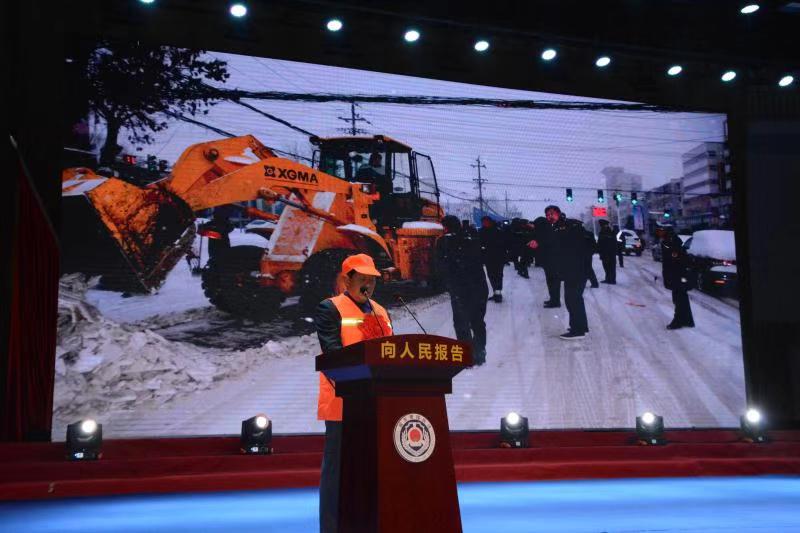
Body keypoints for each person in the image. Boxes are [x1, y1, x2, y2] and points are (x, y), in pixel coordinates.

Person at [314, 254, 393, 533]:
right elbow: (332, 354)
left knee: (373, 468)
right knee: (337, 471)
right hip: (343, 401)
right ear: (346, 280)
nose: (368, 285)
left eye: (372, 280)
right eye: (362, 279)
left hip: (378, 403)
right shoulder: (330, 308)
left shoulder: (382, 312)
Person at [530, 205, 590, 339]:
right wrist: (538, 243)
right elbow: (552, 245)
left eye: (552, 214)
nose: (549, 217)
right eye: (547, 215)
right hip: (570, 270)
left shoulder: (570, 226)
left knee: (572, 299)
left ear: (558, 213)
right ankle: (581, 327)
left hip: (577, 269)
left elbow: (580, 246)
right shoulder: (555, 228)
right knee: (574, 299)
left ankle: (578, 330)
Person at [436, 215, 489, 364]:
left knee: (461, 322)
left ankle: (467, 355)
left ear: (445, 227)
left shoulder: (444, 241)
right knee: (477, 321)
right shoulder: (472, 238)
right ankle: (480, 352)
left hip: (460, 289)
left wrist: (447, 283)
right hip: (479, 287)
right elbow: (482, 257)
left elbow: (441, 266)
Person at [660, 228, 695, 330]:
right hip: (678, 275)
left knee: (678, 298)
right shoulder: (671, 242)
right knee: (682, 297)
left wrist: (672, 277)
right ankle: (687, 320)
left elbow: (675, 261)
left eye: (662, 231)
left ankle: (678, 321)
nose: (660, 234)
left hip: (678, 276)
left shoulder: (672, 243)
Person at [478, 216, 509, 302]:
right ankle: (496, 292)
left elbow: (504, 243)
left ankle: (498, 294)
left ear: (490, 222)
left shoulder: (498, 230)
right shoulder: (481, 231)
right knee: (491, 275)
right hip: (488, 257)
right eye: (483, 222)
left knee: (498, 275)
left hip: (499, 257)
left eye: (486, 221)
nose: (485, 223)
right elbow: (479, 243)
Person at [597, 220, 617, 284]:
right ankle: (612, 280)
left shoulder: (602, 232)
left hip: (605, 253)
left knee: (607, 267)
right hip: (612, 253)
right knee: (612, 267)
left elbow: (600, 244)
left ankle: (609, 279)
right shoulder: (612, 232)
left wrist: (599, 251)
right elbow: (615, 242)